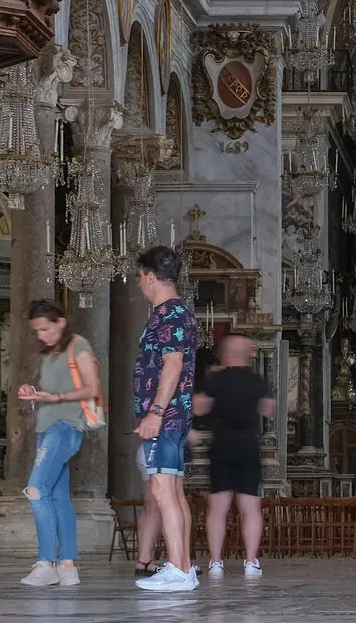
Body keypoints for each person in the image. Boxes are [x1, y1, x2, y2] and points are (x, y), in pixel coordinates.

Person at [14, 299, 101, 587]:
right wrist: (34, 391)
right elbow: (51, 390)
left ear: (61, 322)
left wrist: (57, 398)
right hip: (47, 428)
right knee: (58, 497)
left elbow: (91, 388)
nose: (41, 335)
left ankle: (46, 562)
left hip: (65, 428)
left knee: (36, 490)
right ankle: (67, 567)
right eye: (37, 331)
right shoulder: (51, 354)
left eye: (46, 329)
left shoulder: (80, 346)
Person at [131, 246, 199, 593]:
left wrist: (155, 412)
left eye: (139, 277)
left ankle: (177, 569)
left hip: (166, 416)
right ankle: (184, 566)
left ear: (149, 276)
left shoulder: (168, 314)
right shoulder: (179, 312)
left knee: (160, 488)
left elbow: (172, 365)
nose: (139, 284)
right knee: (172, 490)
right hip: (175, 416)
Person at [198, 335, 275, 579]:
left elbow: (198, 407)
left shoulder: (214, 380)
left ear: (225, 354)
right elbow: (269, 409)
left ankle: (216, 562)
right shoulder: (256, 380)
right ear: (245, 355)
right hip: (248, 446)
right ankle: (251, 561)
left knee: (218, 508)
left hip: (221, 446)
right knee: (250, 507)